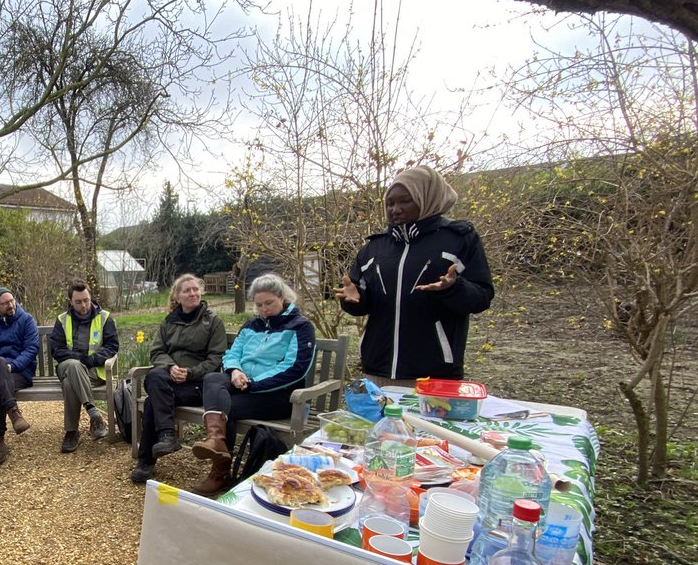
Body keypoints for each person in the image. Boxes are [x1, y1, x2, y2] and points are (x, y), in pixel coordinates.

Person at [334, 165, 494, 385]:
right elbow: (363, 304)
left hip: (434, 374)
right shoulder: (374, 248)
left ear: (426, 198)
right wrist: (354, 300)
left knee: (426, 422)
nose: (395, 209)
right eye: (390, 203)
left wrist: (453, 288)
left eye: (405, 201)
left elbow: (482, 296)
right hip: (378, 370)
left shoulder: (459, 239)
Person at [190, 274, 315, 496]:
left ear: (283, 298)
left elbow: (295, 368)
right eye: (259, 305)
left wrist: (254, 384)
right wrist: (235, 371)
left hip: (277, 397)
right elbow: (232, 353)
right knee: (212, 379)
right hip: (243, 384)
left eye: (269, 303)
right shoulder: (251, 324)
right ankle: (216, 441)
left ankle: (219, 474)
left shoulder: (300, 326)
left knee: (225, 407)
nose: (263, 309)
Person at [130, 274, 227, 484]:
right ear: (177, 296)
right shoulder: (169, 322)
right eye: (187, 290)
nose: (193, 293)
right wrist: (171, 367)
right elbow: (157, 352)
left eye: (195, 289)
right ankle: (166, 435)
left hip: (199, 385)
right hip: (169, 380)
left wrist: (190, 372)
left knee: (150, 402)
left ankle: (146, 461)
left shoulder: (212, 321)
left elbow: (216, 358)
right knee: (155, 375)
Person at [48, 282, 119, 453]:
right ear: (70, 301)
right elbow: (56, 350)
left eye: (86, 300)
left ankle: (72, 432)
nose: (84, 305)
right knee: (73, 366)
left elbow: (112, 346)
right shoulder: (62, 320)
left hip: (94, 371)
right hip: (67, 365)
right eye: (78, 302)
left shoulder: (104, 317)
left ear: (90, 297)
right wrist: (79, 359)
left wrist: (92, 359)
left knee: (68, 384)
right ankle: (94, 414)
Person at [0, 286, 39, 467]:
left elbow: (31, 349)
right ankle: (14, 414)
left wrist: (11, 366)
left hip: (21, 372)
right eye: (5, 303)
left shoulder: (26, 320)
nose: (10, 305)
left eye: (12, 301)